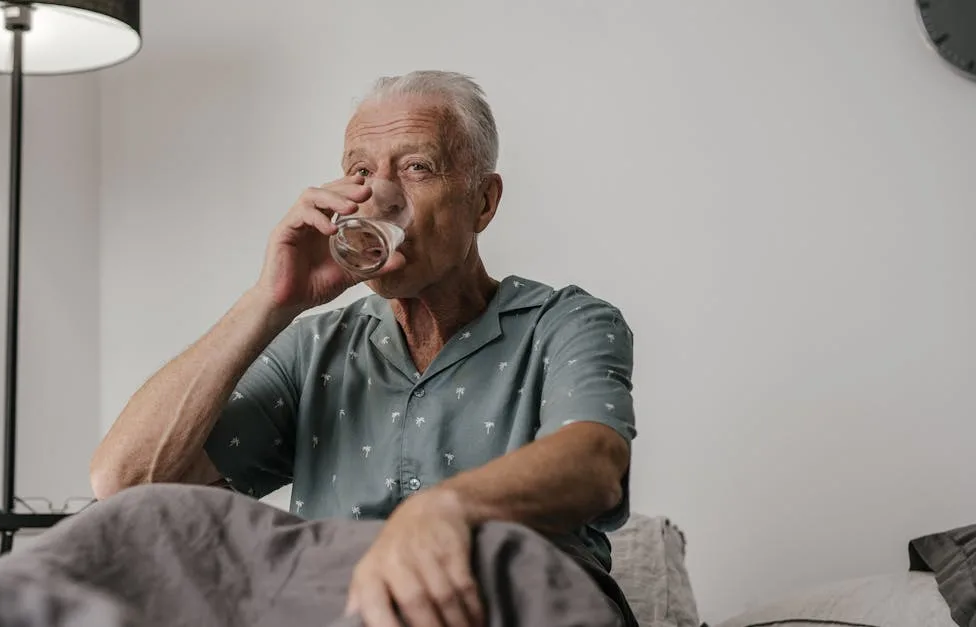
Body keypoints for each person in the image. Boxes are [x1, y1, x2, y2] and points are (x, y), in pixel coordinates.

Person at [90, 70, 638, 627]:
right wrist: (269, 301)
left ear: (483, 202)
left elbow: (595, 464)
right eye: (360, 171)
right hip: (343, 604)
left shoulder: (565, 322)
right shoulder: (314, 350)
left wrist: (444, 510)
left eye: (417, 167)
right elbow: (125, 483)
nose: (379, 194)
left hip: (514, 598)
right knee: (83, 559)